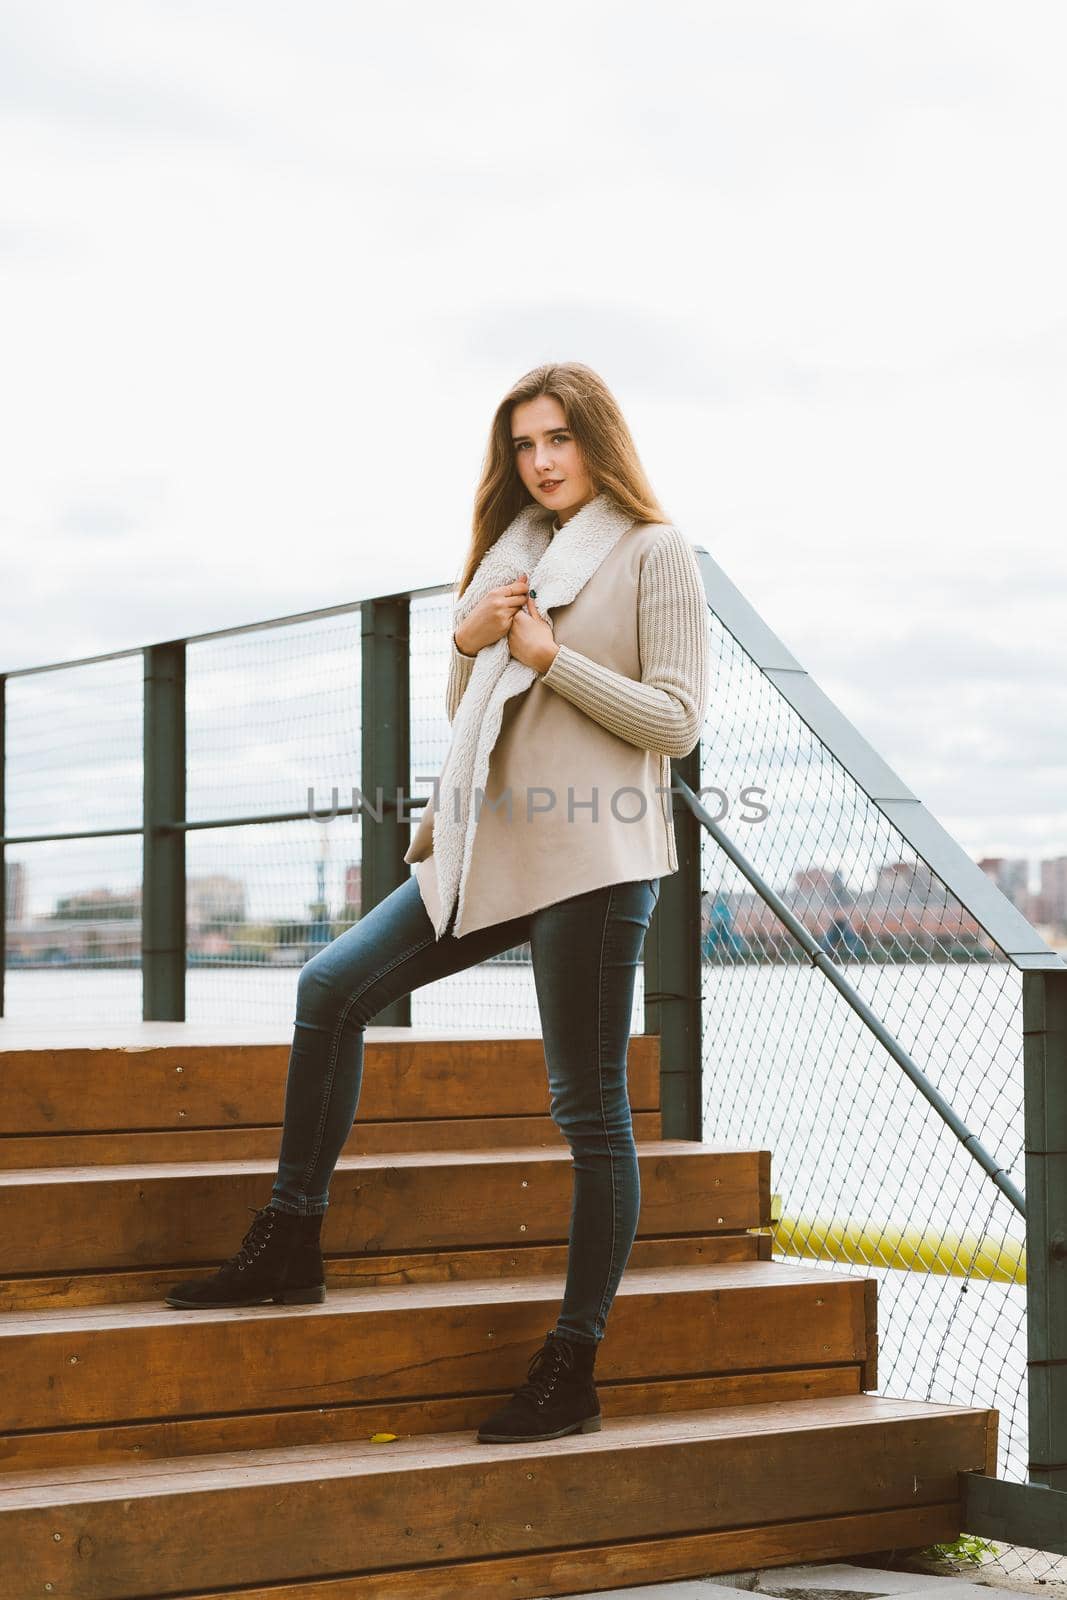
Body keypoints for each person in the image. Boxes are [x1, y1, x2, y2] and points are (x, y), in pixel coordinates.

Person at [165, 360, 710, 1445]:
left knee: (587, 1112)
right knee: (329, 987)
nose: (542, 461)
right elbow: (477, 703)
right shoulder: (511, 555)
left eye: (559, 439)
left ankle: (573, 1363)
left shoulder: (655, 552)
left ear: (598, 442)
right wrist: (466, 645)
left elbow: (676, 723)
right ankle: (292, 1243)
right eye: (523, 445)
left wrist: (552, 657)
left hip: (596, 858)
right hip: (485, 846)